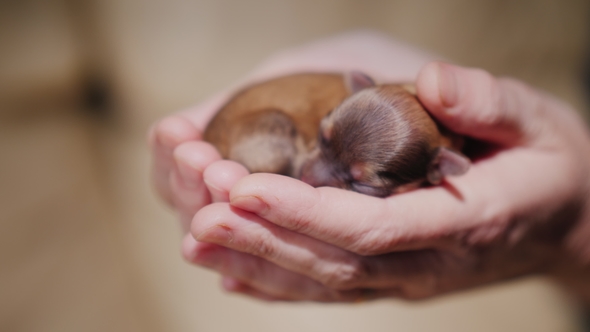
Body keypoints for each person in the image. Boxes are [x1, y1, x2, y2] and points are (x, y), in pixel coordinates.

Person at [149, 31, 590, 304]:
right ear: (358, 87)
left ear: (444, 170)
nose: (313, 176)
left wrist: (576, 227)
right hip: (256, 135)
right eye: (323, 140)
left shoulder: (445, 147)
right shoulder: (360, 107)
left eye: (359, 182)